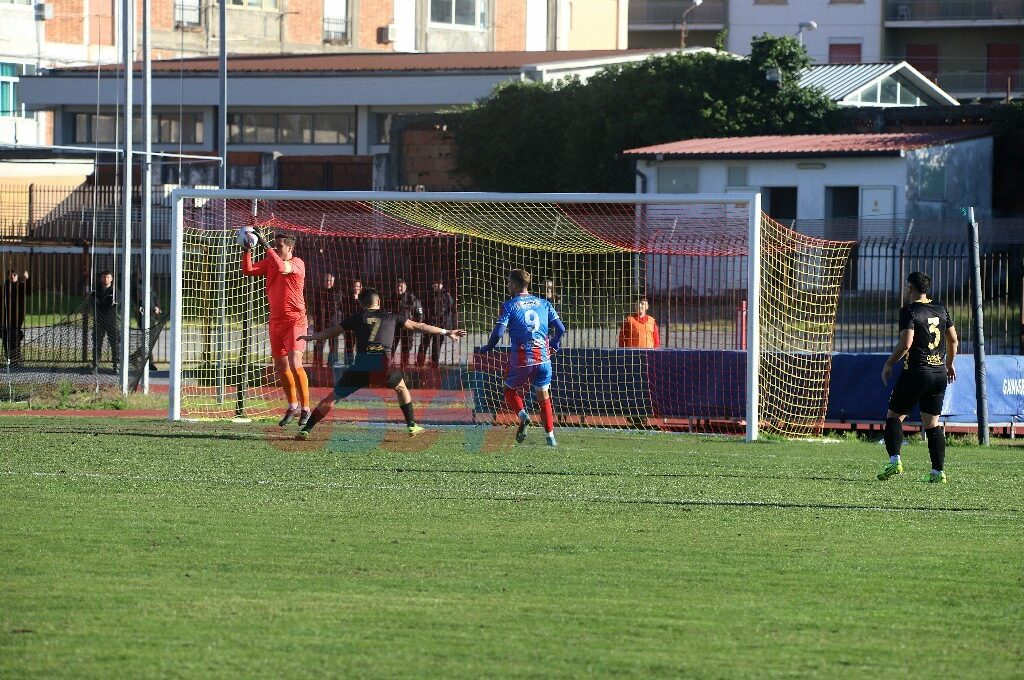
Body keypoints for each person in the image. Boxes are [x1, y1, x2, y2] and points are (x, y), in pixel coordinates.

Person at [295, 287, 466, 439]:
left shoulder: (357, 317)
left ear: (362, 304)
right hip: (383, 364)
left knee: (332, 398)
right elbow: (418, 326)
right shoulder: (391, 317)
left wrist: (311, 337)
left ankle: (306, 429)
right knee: (401, 388)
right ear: (378, 301)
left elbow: (330, 332)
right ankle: (412, 425)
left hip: (361, 365)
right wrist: (447, 331)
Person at [878, 271, 958, 484]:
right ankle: (937, 472)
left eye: (907, 286)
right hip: (939, 373)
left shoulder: (909, 310)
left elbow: (906, 343)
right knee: (932, 424)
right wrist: (949, 364)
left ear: (910, 288)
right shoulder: (941, 308)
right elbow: (953, 340)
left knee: (894, 416)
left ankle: (895, 460)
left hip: (917, 372)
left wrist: (888, 363)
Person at [479, 269, 566, 447]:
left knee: (509, 389)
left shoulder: (510, 305)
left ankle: (523, 415)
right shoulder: (544, 303)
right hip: (543, 358)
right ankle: (550, 438)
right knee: (544, 396)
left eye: (508, 282)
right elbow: (561, 329)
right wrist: (555, 343)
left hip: (522, 359)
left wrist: (489, 347)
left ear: (513, 284)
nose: (507, 285)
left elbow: (499, 333)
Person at [241, 229, 312, 427]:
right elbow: (248, 270)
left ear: (290, 248)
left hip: (295, 322)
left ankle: (306, 409)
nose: (275, 248)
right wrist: (247, 250)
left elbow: (282, 267)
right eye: (274, 245)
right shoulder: (270, 262)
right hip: (275, 322)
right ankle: (293, 406)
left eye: (279, 245)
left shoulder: (297, 263)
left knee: (295, 363)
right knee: (281, 366)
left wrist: (265, 245)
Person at [417, 277, 454, 366]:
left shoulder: (447, 296)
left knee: (436, 345)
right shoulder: (427, 294)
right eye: (434, 283)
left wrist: (446, 323)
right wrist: (422, 319)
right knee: (424, 344)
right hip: (428, 324)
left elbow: (450, 311)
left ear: (442, 285)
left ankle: (434, 362)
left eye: (438, 283)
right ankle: (420, 362)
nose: (436, 285)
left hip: (441, 325)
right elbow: (421, 307)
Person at [88, 270, 120, 370]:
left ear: (111, 278)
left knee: (114, 343)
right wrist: (103, 303)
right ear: (101, 278)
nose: (106, 279)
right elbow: (94, 304)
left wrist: (103, 303)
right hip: (99, 320)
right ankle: (95, 364)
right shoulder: (95, 291)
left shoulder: (115, 292)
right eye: (104, 277)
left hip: (111, 320)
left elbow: (114, 304)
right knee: (97, 343)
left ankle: (116, 365)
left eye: (108, 277)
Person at [132, 272, 163, 370]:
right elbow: (140, 302)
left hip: (152, 316)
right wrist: (152, 308)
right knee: (148, 340)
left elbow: (155, 297)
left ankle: (135, 357)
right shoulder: (137, 287)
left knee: (150, 340)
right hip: (143, 316)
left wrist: (157, 307)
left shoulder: (149, 286)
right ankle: (149, 363)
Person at [391, 277, 423, 367]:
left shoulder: (411, 299)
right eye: (397, 286)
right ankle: (387, 364)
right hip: (394, 327)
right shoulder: (390, 298)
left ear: (405, 287)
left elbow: (419, 314)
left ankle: (404, 365)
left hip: (407, 327)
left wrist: (415, 325)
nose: (399, 288)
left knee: (406, 347)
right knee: (390, 346)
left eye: (401, 286)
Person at [309, 272, 339, 367]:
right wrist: (315, 321)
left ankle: (332, 364)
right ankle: (317, 364)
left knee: (333, 345)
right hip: (321, 324)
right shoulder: (318, 293)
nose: (328, 282)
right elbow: (314, 309)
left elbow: (337, 309)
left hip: (333, 324)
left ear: (333, 281)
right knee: (319, 344)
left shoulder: (337, 293)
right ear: (323, 281)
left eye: (330, 280)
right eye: (326, 280)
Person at [0, 269, 29, 366]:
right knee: (6, 337)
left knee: (15, 336)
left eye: (14, 275)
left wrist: (26, 279)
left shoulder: (20, 286)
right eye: (10, 275)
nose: (12, 276)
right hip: (5, 317)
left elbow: (28, 291)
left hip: (17, 317)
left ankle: (16, 359)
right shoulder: (4, 287)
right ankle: (10, 358)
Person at [339, 278, 363, 365]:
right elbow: (342, 309)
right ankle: (348, 364)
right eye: (355, 286)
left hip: (361, 326)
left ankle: (360, 364)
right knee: (349, 346)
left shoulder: (363, 299)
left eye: (358, 286)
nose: (356, 288)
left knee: (360, 346)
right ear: (352, 287)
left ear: (361, 288)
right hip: (350, 326)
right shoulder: (347, 299)